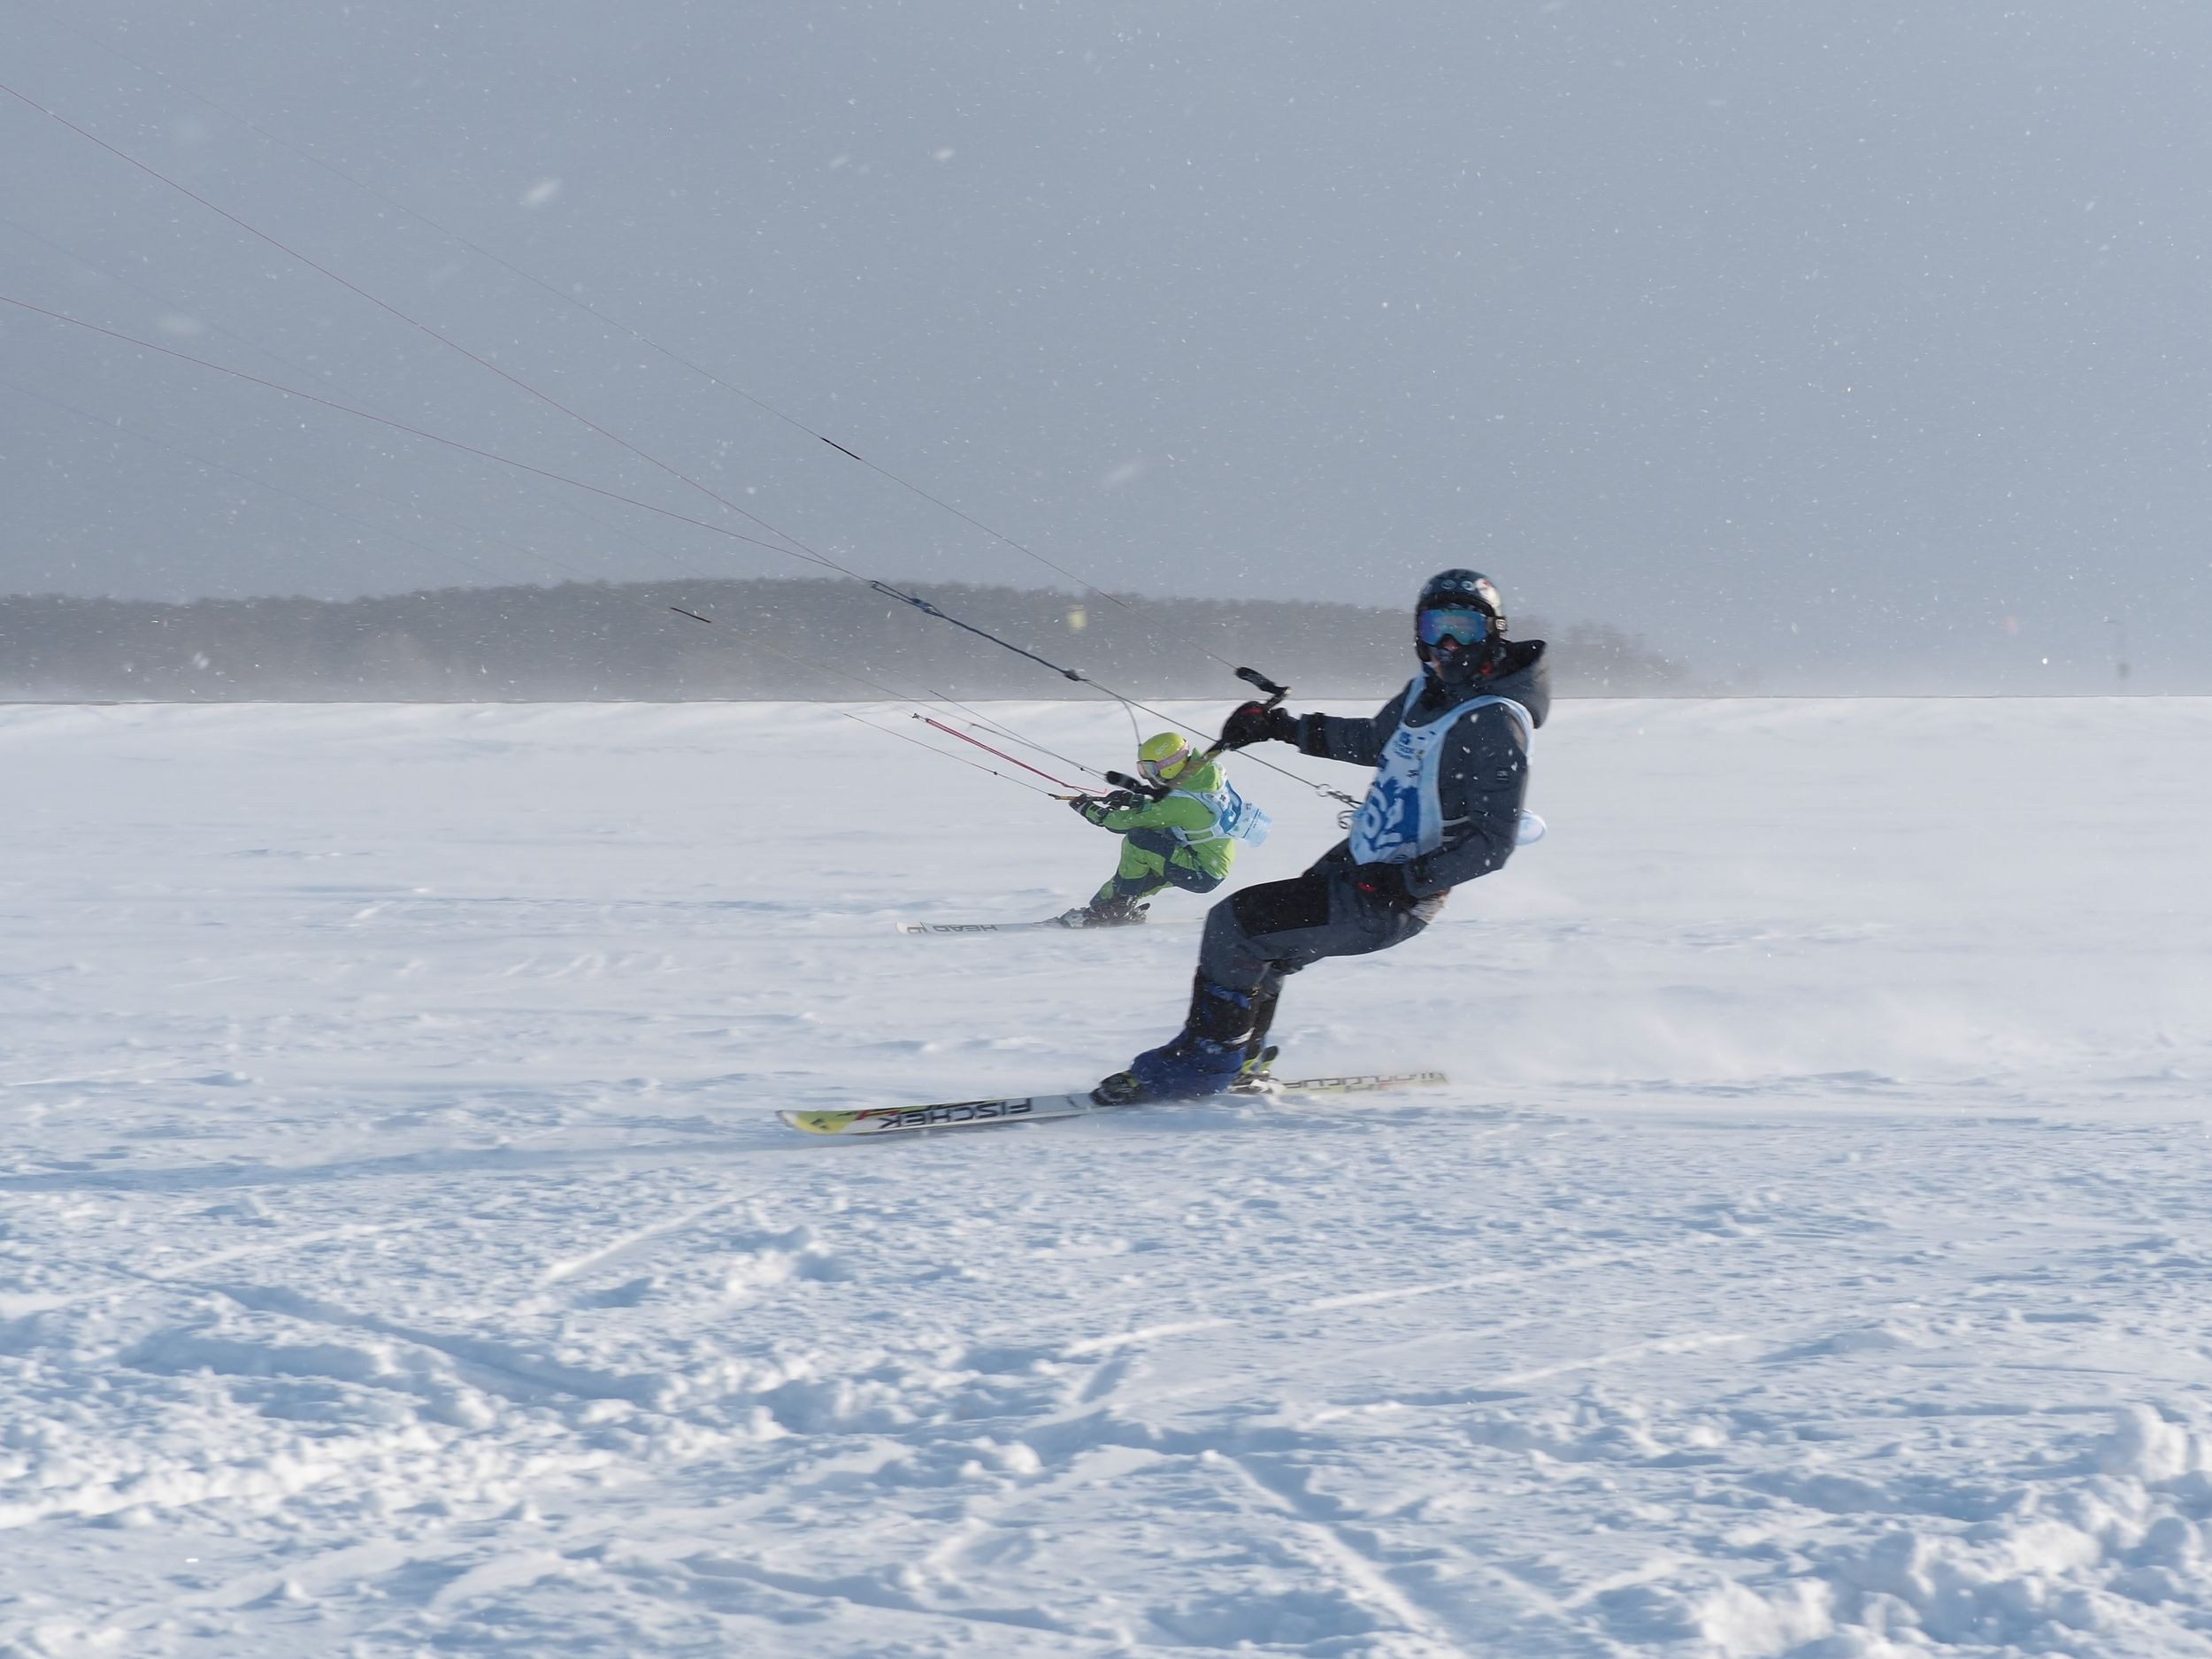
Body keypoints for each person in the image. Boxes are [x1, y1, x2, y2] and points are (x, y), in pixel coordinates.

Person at [1093, 569, 1548, 1101]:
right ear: (1418, 634)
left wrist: (1407, 882)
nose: (1448, 643)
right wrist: (1279, 727)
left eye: (1464, 628)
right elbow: (1375, 740)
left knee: (1233, 926)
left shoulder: (1495, 720)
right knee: (1265, 944)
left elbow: (1492, 844)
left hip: (1396, 895)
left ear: (1494, 630)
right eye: (1435, 627)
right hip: (1364, 863)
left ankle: (1206, 1062)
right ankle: (1237, 1056)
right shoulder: (1430, 691)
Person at [1056, 732, 1267, 927]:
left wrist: (1090, 810)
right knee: (1118, 885)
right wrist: (1135, 799)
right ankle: (1104, 908)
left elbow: (1125, 822)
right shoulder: (1204, 773)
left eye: (1149, 769)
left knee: (1137, 840)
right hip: (1197, 855)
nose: (1147, 775)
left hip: (1201, 871)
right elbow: (1168, 806)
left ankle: (1117, 909)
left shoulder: (1182, 803)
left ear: (1169, 765)